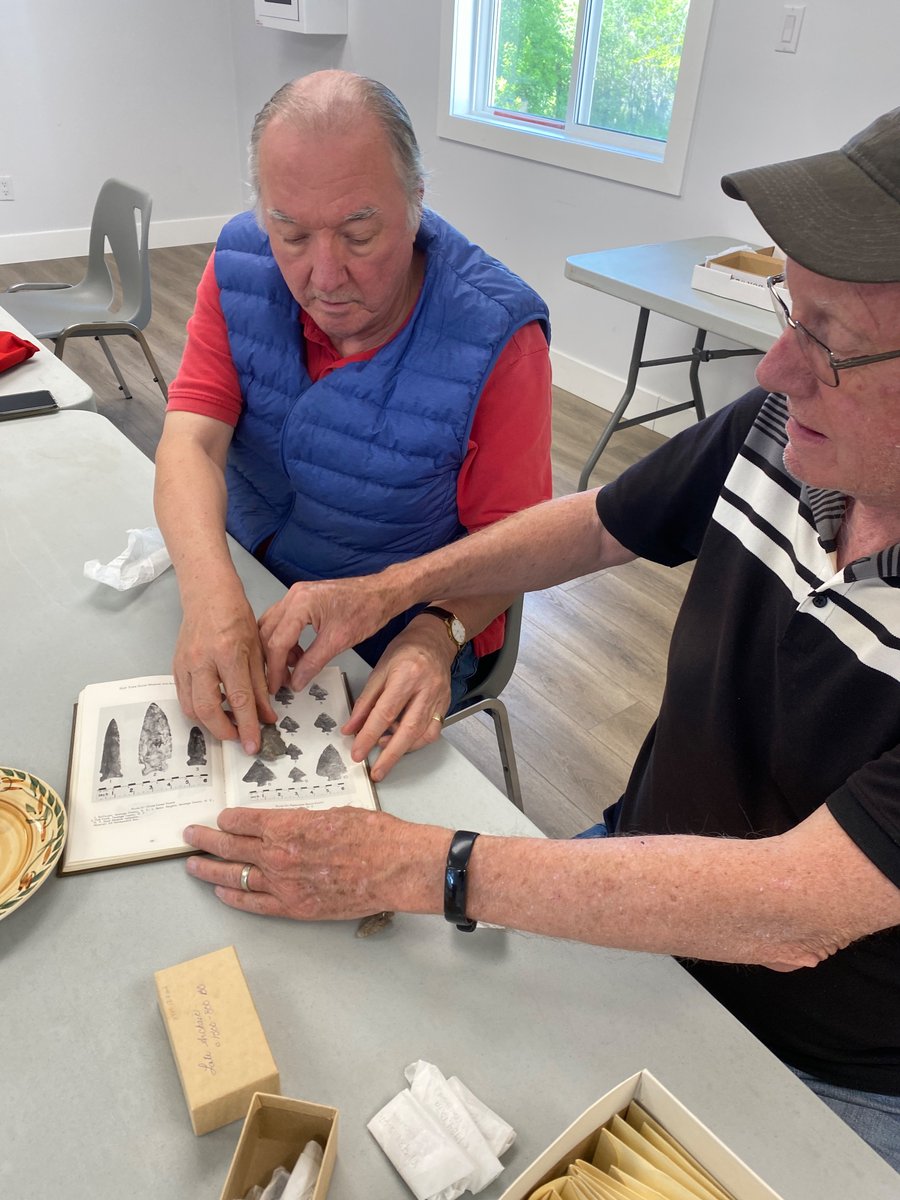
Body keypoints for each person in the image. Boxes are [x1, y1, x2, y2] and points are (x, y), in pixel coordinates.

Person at [183, 109, 900, 1170]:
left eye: (830, 338)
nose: (773, 370)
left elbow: (788, 912)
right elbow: (602, 522)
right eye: (787, 313)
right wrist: (393, 593)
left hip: (817, 1062)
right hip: (637, 890)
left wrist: (430, 868)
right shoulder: (784, 434)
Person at [153, 70, 552, 771]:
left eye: (359, 233)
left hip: (401, 633)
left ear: (416, 202)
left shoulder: (498, 338)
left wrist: (438, 630)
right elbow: (191, 437)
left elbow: (519, 545)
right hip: (247, 587)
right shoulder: (238, 262)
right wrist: (211, 589)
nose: (325, 276)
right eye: (292, 233)